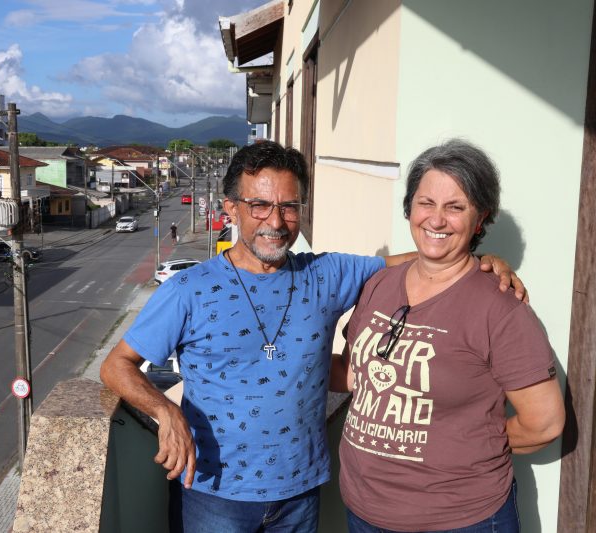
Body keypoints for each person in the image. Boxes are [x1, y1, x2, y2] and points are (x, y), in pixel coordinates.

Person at [100, 140, 522, 533]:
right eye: (259, 205)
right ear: (231, 209)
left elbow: (419, 260)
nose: (276, 222)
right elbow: (116, 365)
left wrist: (480, 261)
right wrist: (165, 412)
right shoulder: (187, 290)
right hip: (213, 492)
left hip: (301, 492)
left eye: (289, 207)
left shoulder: (325, 274)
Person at [330, 139, 564, 532]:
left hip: (459, 519)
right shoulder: (378, 286)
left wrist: (466, 448)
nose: (436, 220)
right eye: (426, 203)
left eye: (455, 207)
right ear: (410, 208)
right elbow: (355, 375)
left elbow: (544, 423)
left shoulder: (500, 307)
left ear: (480, 218)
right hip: (364, 510)